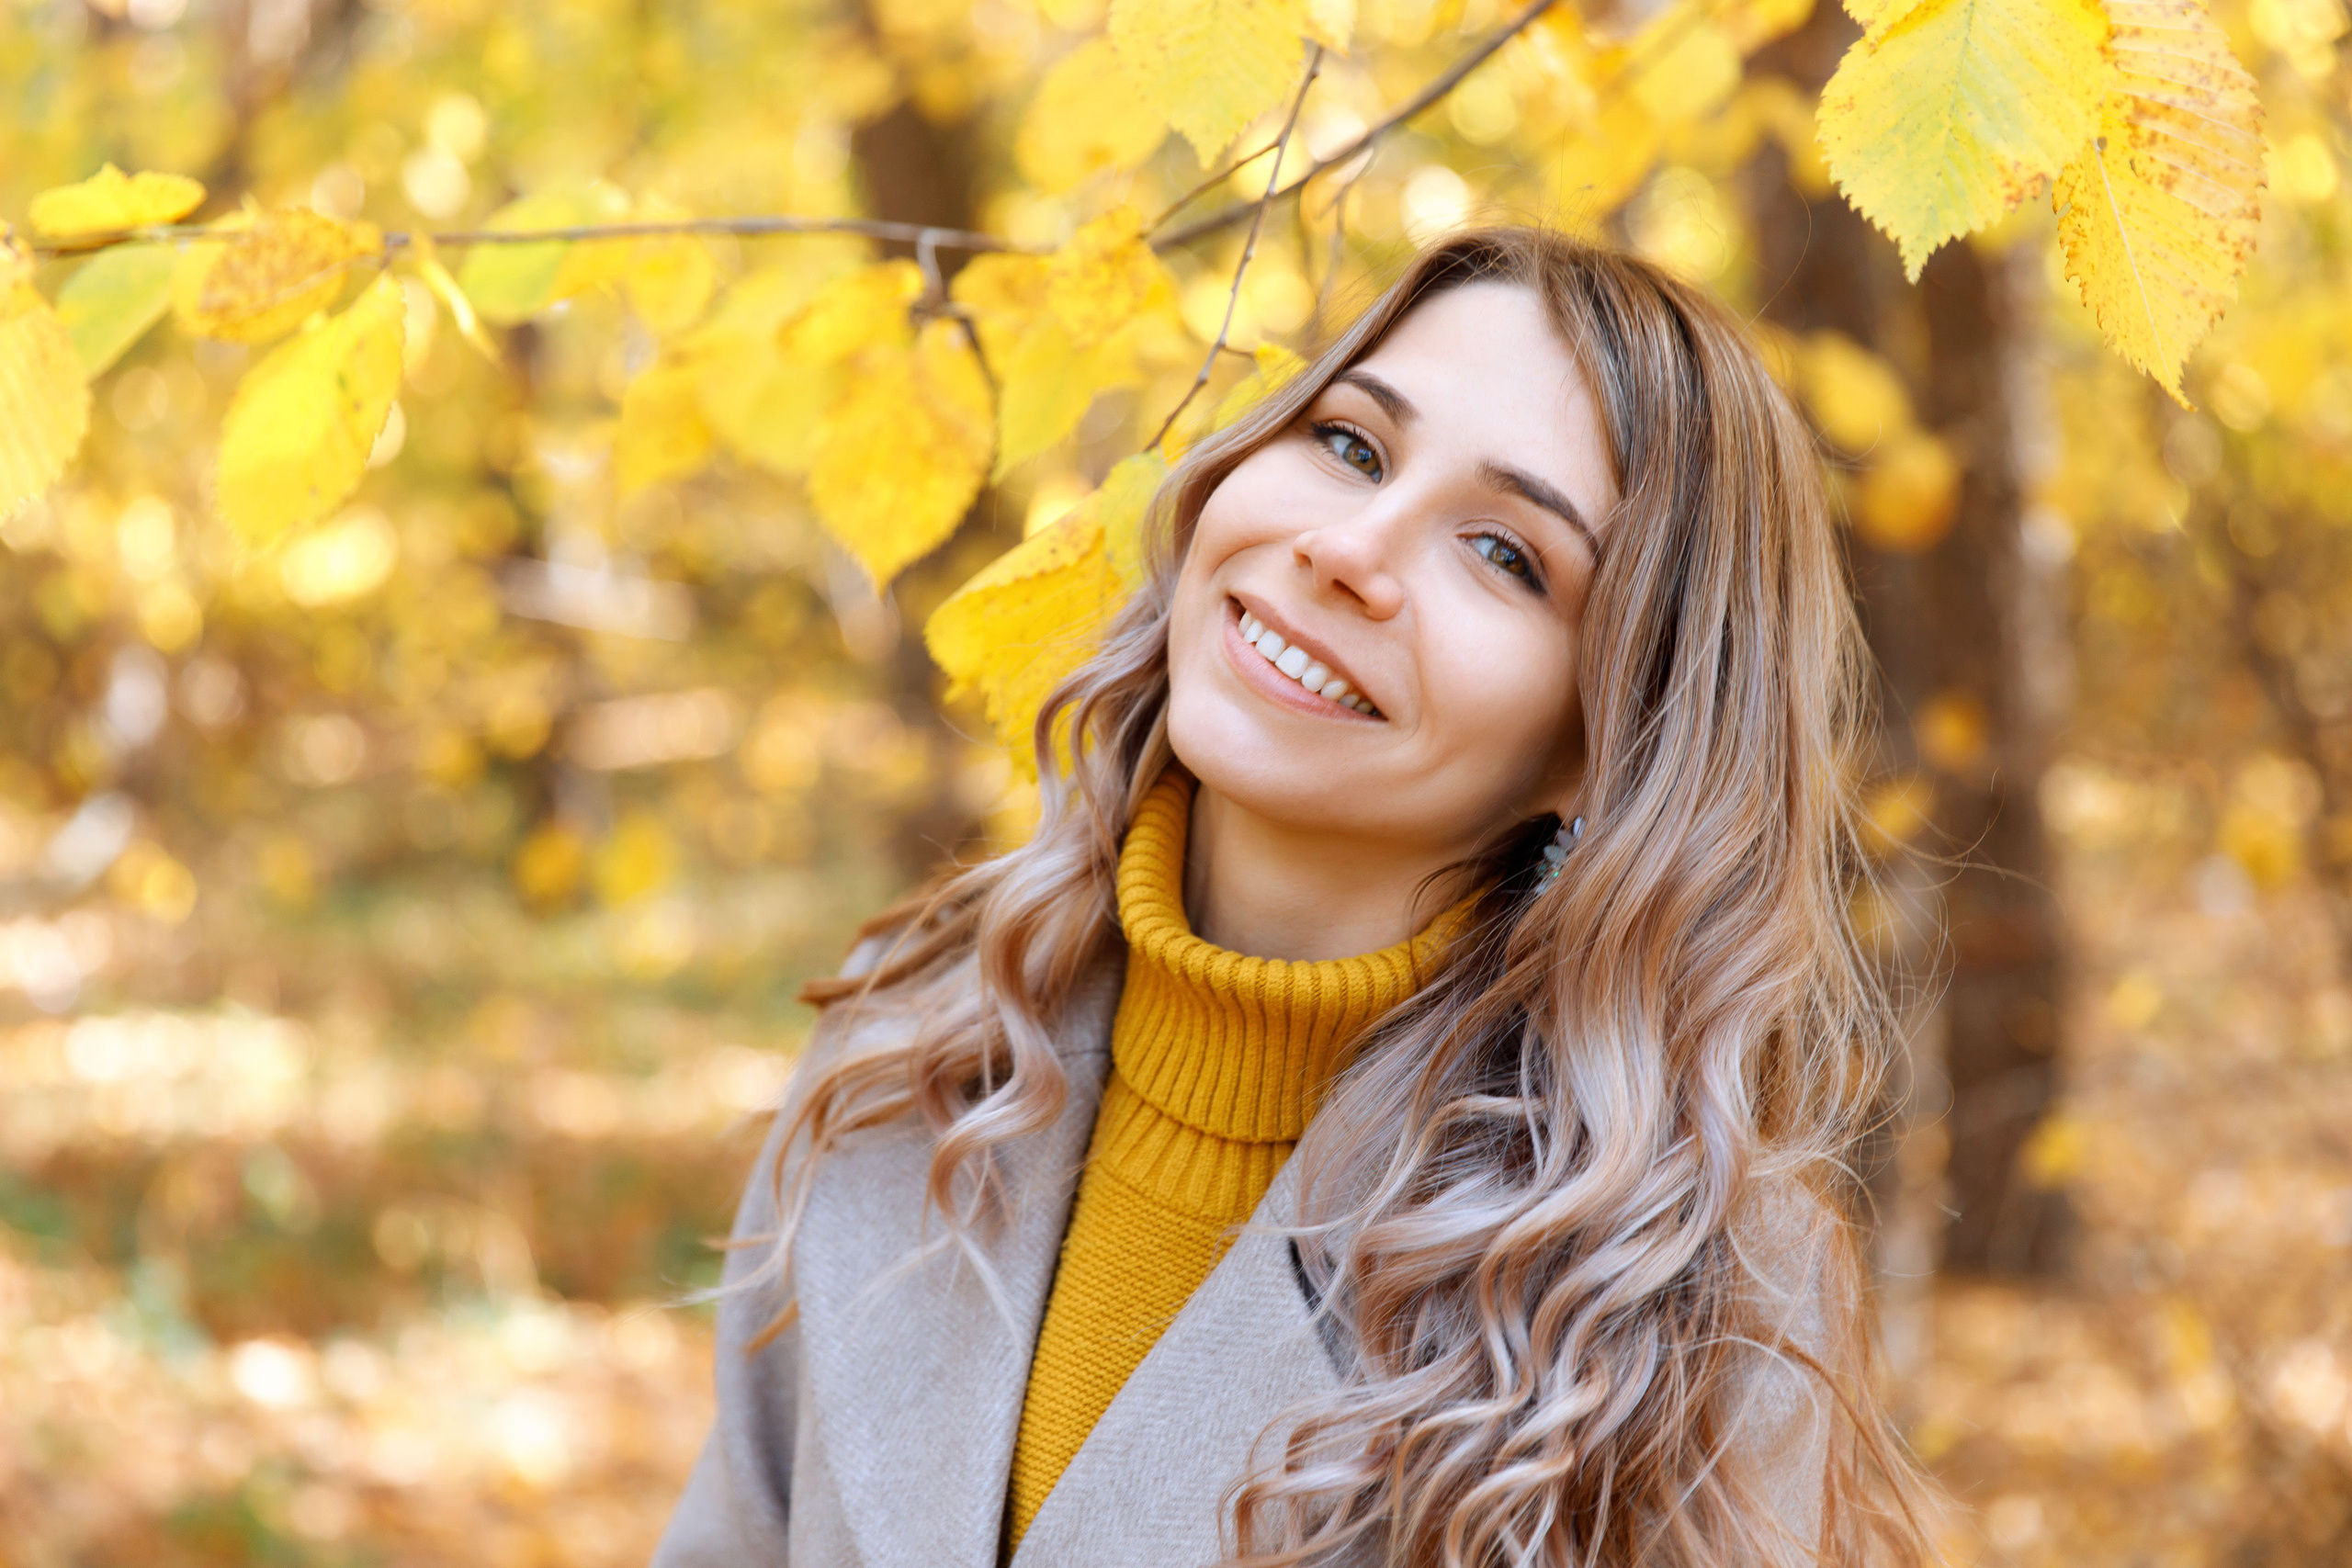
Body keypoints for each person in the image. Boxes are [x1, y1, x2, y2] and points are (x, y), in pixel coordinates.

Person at [651, 227, 1937, 1568]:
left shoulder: (1680, 1301)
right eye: (1351, 446)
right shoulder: (909, 1052)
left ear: (1610, 746)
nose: (1348, 548)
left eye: (1504, 553)